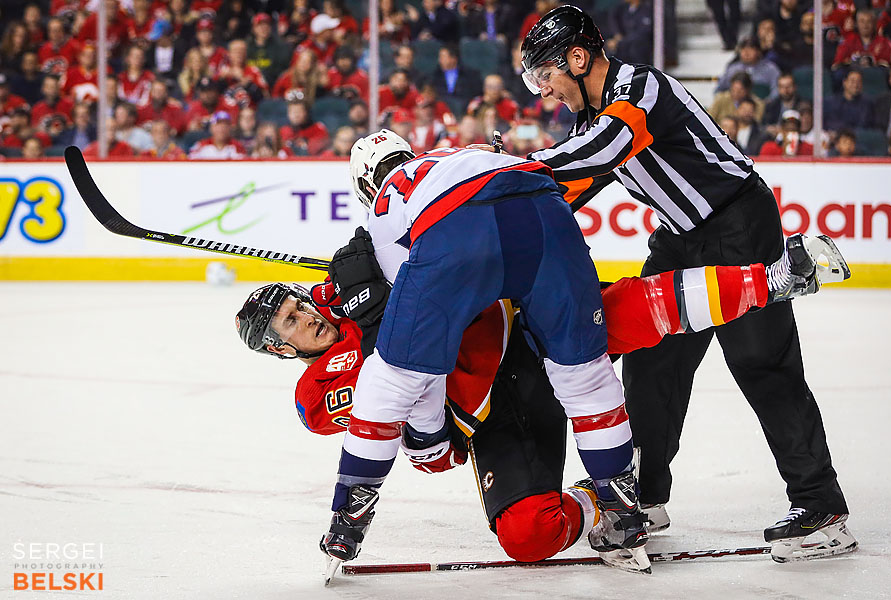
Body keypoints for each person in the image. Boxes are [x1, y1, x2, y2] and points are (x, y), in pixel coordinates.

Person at [236, 139, 847, 577]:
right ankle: (605, 495)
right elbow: (411, 418)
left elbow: (397, 381)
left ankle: (352, 518)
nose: (308, 315)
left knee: (623, 314)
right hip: (498, 399)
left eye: (297, 304)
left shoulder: (357, 269)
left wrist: (367, 289)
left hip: (518, 327)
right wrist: (371, 301)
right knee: (527, 531)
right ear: (281, 349)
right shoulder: (317, 391)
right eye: (293, 323)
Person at [519, 4, 856, 563]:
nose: (545, 90)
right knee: (652, 365)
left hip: (738, 225)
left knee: (761, 365)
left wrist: (516, 170)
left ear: (578, 58)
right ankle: (645, 497)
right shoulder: (587, 123)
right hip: (679, 240)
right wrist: (501, 204)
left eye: (547, 74)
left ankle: (823, 507)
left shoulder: (639, 89)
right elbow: (568, 190)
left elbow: (602, 152)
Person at [314, 128, 654, 578]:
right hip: (543, 220)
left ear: (363, 185)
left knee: (392, 380)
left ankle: (349, 516)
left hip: (473, 268)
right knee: (591, 371)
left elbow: (425, 343)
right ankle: (622, 506)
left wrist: (426, 440)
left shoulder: (383, 213)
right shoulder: (461, 155)